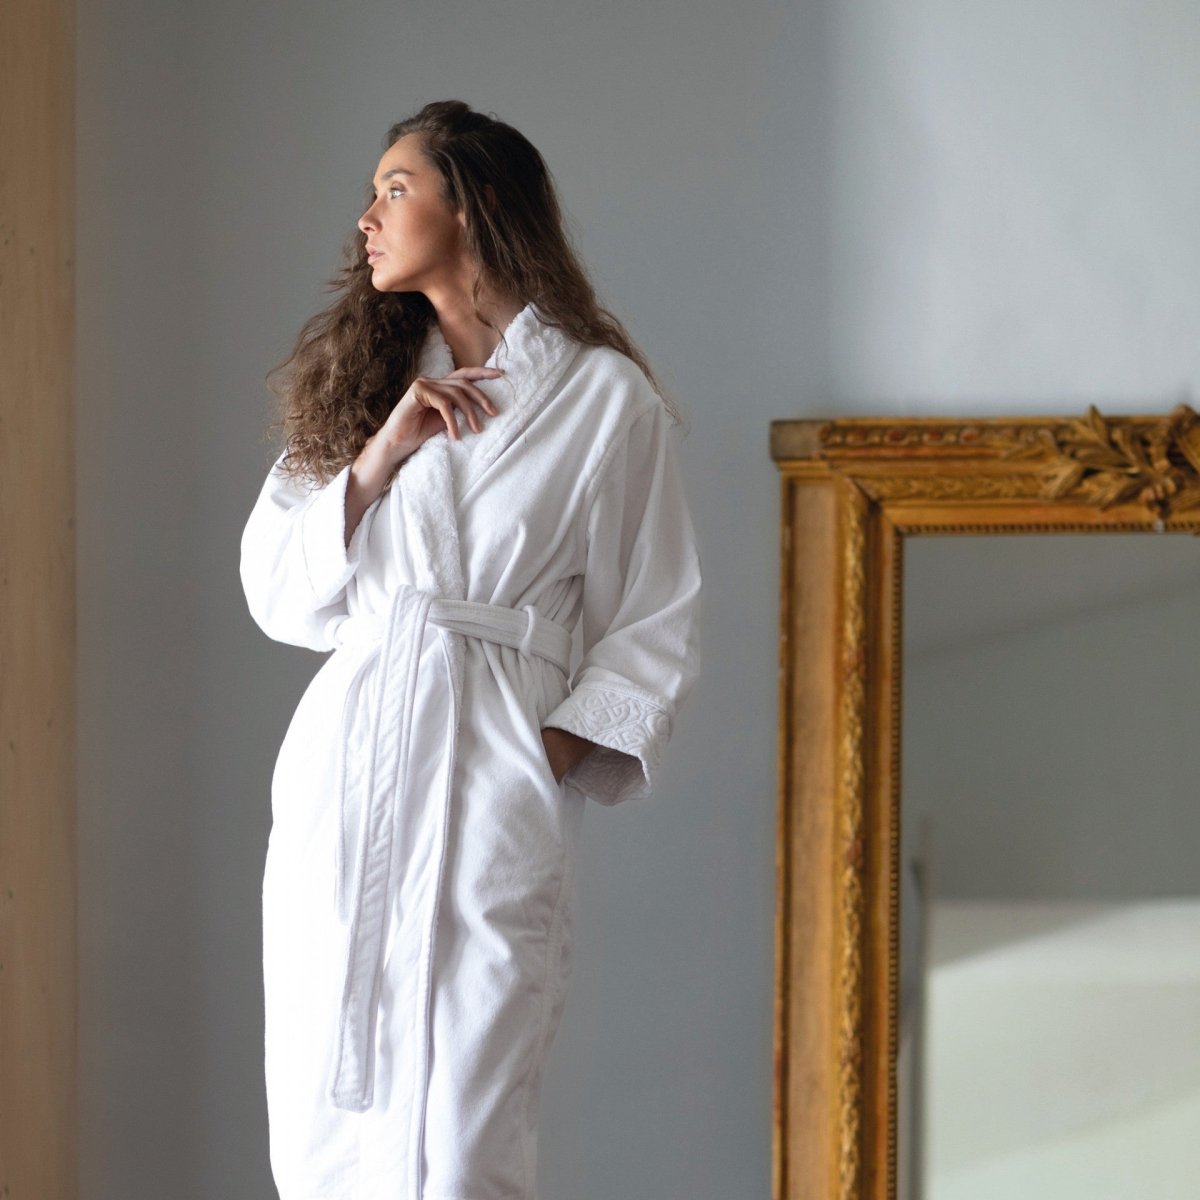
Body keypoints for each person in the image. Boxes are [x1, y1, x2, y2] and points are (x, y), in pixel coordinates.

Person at [239, 99, 702, 1200]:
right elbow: (276, 592)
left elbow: (654, 613)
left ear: (475, 205)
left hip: (491, 770)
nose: (367, 217)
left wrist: (536, 755)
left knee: (466, 1134)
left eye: (395, 189)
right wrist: (380, 456)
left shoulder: (604, 399)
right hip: (348, 769)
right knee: (320, 1106)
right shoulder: (363, 392)